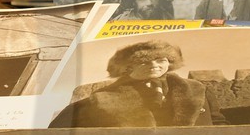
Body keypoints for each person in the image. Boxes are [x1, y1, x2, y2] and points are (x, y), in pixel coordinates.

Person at [48, 39, 222, 128]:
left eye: (161, 60)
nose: (154, 66)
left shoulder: (198, 90)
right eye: (144, 62)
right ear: (127, 68)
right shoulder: (101, 101)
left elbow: (222, 126)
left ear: (170, 62)